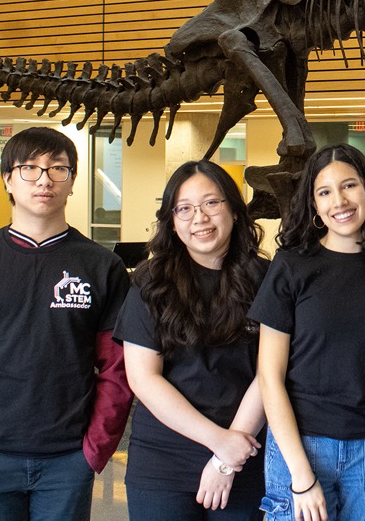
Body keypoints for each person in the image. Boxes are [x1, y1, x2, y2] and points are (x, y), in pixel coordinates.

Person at [0, 126, 132, 520]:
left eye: (58, 169)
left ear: (72, 181)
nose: (44, 180)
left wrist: (93, 450)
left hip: (68, 459)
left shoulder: (103, 267)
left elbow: (117, 369)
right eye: (29, 168)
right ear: (8, 179)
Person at [251, 144, 365, 521]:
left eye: (349, 186)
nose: (339, 201)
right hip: (300, 444)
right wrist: (300, 475)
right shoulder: (291, 267)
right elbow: (269, 377)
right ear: (313, 205)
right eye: (324, 192)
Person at [113, 161, 270, 520]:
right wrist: (220, 443)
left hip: (247, 451)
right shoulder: (150, 282)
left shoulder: (266, 279)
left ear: (233, 208)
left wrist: (229, 457)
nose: (199, 217)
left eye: (211, 203)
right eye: (184, 208)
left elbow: (270, 372)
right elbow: (143, 378)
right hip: (163, 461)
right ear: (171, 220)